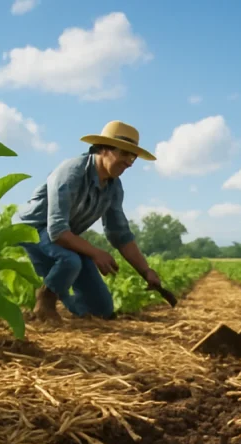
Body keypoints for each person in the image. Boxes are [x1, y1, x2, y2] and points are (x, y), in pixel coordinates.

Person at [16, 120, 162, 322]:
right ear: (103, 149)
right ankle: (45, 302)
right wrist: (95, 253)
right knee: (70, 260)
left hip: (64, 239)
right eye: (124, 153)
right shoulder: (71, 172)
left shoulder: (113, 187)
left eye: (133, 157)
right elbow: (57, 230)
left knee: (102, 309)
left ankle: (73, 307)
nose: (129, 162)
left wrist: (146, 271)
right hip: (31, 231)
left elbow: (120, 234)